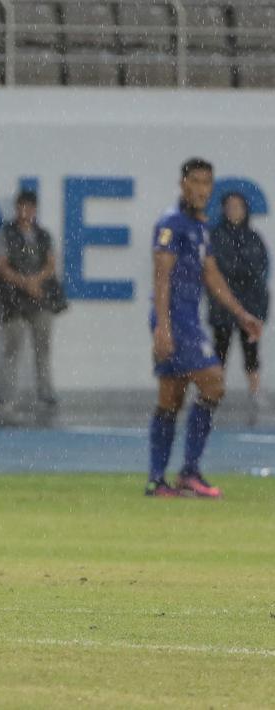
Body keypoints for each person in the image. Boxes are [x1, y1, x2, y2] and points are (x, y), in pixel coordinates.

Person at [147, 158, 263, 498]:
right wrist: (163, 327)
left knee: (171, 398)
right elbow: (161, 276)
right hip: (176, 320)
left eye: (207, 183)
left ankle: (157, 480)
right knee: (213, 383)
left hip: (185, 319)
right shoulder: (172, 223)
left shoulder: (199, 226)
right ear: (183, 183)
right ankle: (189, 471)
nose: (201, 189)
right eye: (195, 181)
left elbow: (211, 275)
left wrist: (242, 314)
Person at [0, 189, 59, 424]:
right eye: (21, 207)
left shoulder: (42, 236)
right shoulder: (5, 234)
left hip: (39, 298)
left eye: (29, 207)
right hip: (14, 300)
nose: (25, 212)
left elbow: (51, 264)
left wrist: (35, 282)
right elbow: (1, 266)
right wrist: (24, 282)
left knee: (43, 349)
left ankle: (45, 395)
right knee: (12, 349)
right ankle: (6, 398)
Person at [208, 191, 269, 425]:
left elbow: (258, 271)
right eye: (230, 207)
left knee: (251, 352)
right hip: (224, 306)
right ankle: (213, 393)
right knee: (220, 351)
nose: (235, 211)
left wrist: (258, 310)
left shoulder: (253, 238)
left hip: (249, 305)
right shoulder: (217, 237)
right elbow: (219, 271)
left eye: (238, 207)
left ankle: (255, 392)